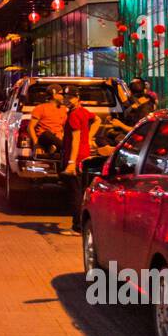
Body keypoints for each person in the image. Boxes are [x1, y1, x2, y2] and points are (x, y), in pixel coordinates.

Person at [59, 88, 98, 233]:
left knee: (75, 194)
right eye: (66, 96)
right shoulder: (83, 111)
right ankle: (81, 225)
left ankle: (77, 227)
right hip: (84, 154)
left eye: (70, 96)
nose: (67, 99)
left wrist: (71, 163)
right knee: (81, 192)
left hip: (76, 157)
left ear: (77, 98)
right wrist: (89, 138)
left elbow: (75, 140)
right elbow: (97, 120)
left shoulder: (74, 115)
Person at [28, 85, 69, 157]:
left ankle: (54, 148)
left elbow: (64, 127)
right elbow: (30, 127)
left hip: (57, 139)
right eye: (61, 94)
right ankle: (60, 147)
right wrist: (36, 144)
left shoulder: (63, 109)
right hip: (44, 138)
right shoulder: (40, 108)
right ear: (54, 95)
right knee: (47, 134)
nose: (63, 96)